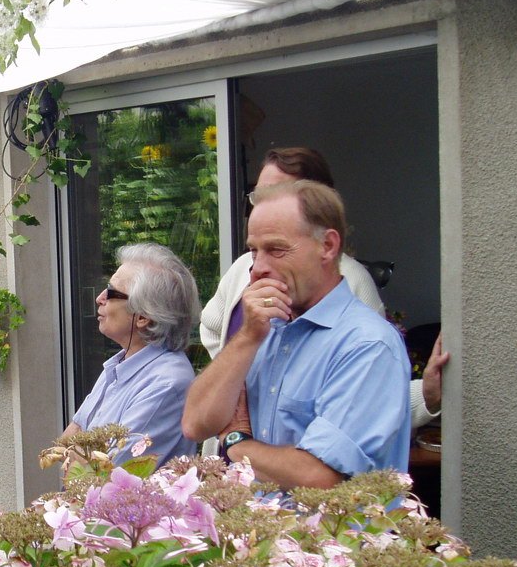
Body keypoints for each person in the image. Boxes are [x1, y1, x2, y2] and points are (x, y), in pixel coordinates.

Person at [182, 180, 410, 490]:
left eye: (276, 249)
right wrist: (247, 336)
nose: (257, 268)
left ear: (327, 246)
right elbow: (194, 424)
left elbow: (319, 477)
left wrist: (237, 444)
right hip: (255, 520)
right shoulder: (264, 329)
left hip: (328, 523)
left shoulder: (367, 344)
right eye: (253, 251)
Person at [199, 147, 447, 431]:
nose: (263, 206)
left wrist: (426, 397)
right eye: (259, 196)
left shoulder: (353, 281)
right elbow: (211, 326)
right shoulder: (244, 266)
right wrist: (233, 381)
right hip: (229, 446)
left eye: (278, 194)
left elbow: (372, 395)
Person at [58, 243, 199, 467]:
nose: (99, 298)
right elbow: (66, 442)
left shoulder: (166, 383)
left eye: (111, 292)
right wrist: (79, 454)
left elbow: (101, 472)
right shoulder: (120, 364)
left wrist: (78, 454)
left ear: (142, 316)